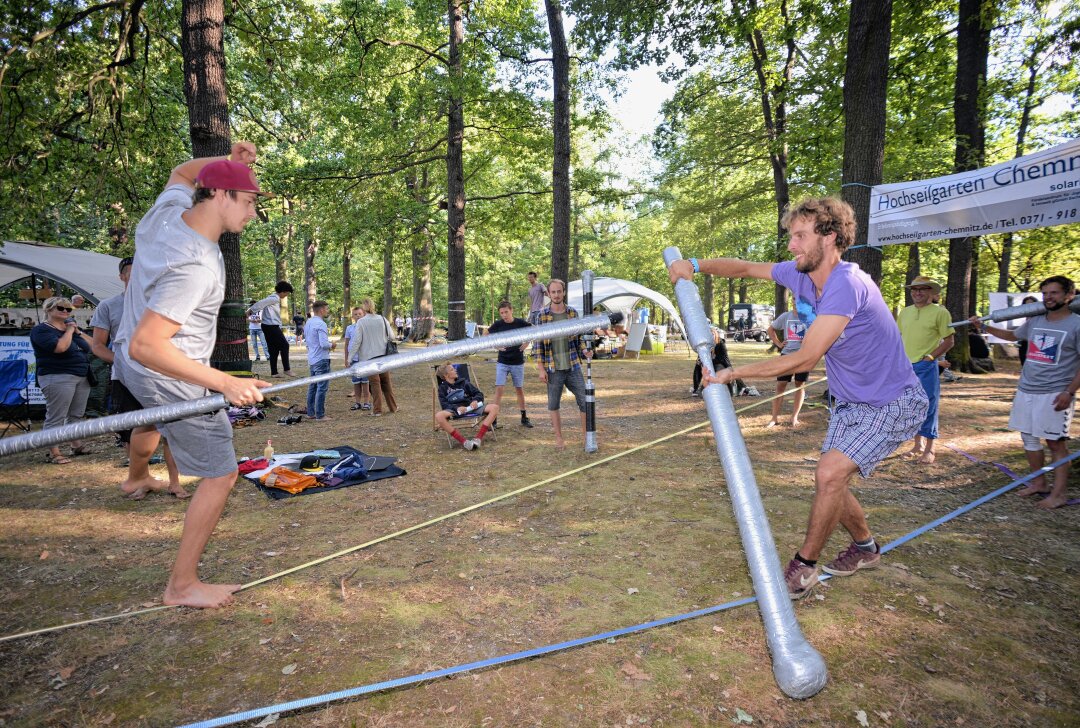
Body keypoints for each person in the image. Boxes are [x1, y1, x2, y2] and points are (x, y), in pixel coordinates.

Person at [670, 196, 927, 599]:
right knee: (832, 480)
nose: (791, 246)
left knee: (828, 474)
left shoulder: (848, 283)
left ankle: (803, 569)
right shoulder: (801, 275)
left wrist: (732, 373)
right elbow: (743, 267)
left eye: (800, 236)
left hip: (894, 401)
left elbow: (806, 356)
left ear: (831, 237)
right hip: (849, 402)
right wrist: (695, 266)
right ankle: (865, 549)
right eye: (791, 236)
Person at [113, 142, 270, 608]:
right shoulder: (196, 265)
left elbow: (182, 172)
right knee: (221, 473)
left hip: (131, 359)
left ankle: (136, 477)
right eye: (248, 202)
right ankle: (181, 586)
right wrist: (222, 382)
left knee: (153, 422)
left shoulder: (167, 215)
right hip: (166, 369)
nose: (252, 214)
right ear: (220, 195)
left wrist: (229, 161)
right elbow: (149, 345)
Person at [969, 275, 1080, 510]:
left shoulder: (1076, 324)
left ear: (1069, 295)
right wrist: (983, 327)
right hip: (1026, 389)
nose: (1049, 297)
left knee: (1055, 443)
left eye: (1055, 293)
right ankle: (1039, 483)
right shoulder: (1036, 320)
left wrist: (1069, 392)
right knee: (1028, 437)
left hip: (1055, 392)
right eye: (1046, 293)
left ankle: (1058, 494)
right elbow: (1012, 336)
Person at [91, 257, 186, 499]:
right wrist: (123, 363)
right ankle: (140, 480)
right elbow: (98, 346)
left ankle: (175, 482)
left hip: (160, 376)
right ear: (122, 277)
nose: (137, 278)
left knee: (170, 429)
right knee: (135, 429)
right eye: (131, 273)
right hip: (124, 378)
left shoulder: (159, 305)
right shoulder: (109, 306)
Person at [896, 276, 954, 464]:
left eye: (923, 289)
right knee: (911, 406)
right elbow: (899, 337)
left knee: (929, 405)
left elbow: (949, 341)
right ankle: (917, 445)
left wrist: (930, 358)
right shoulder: (905, 312)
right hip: (905, 367)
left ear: (931, 292)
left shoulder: (940, 313)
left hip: (926, 366)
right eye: (914, 289)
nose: (917, 292)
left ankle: (930, 449)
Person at [30, 297, 94, 464]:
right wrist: (70, 332)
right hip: (57, 376)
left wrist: (78, 331)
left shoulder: (71, 329)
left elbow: (94, 346)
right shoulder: (41, 330)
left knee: (76, 414)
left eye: (69, 309)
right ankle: (54, 452)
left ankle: (76, 444)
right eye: (61, 308)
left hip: (81, 375)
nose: (66, 312)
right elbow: (60, 348)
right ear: (49, 309)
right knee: (56, 416)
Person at [533, 279, 592, 449]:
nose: (557, 295)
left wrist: (585, 351)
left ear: (564, 292)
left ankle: (586, 437)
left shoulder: (572, 313)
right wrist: (540, 368)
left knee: (585, 400)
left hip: (573, 365)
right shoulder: (542, 315)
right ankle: (559, 438)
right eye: (553, 292)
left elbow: (579, 338)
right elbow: (538, 343)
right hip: (553, 368)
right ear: (549, 294)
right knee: (553, 404)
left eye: (559, 291)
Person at [766, 291, 811, 427]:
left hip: (803, 357)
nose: (795, 303)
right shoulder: (786, 316)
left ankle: (794, 418)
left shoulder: (809, 318)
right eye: (794, 299)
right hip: (786, 355)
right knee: (781, 385)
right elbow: (770, 330)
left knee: (799, 385)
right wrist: (779, 344)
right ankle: (774, 418)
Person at [486, 300, 534, 428]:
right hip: (502, 361)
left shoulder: (520, 323)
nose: (504, 315)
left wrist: (526, 343)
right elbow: (486, 334)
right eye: (501, 313)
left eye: (506, 312)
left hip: (517, 362)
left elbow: (533, 330)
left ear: (511, 310)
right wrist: (495, 345)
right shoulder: (498, 324)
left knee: (519, 389)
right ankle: (493, 419)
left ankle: (524, 417)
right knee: (499, 389)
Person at [347, 297, 397, 415]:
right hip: (383, 357)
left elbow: (357, 341)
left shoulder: (361, 322)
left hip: (368, 359)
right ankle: (393, 407)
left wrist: (349, 358)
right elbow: (392, 337)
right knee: (386, 383)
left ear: (364, 309)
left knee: (375, 384)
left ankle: (377, 410)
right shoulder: (383, 319)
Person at [434, 362, 499, 450]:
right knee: (439, 416)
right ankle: (464, 442)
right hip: (455, 411)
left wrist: (475, 401)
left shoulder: (464, 382)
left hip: (470, 407)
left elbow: (478, 394)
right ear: (446, 375)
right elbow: (444, 404)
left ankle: (478, 438)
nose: (455, 370)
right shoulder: (442, 388)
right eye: (452, 369)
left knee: (495, 407)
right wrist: (457, 408)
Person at [249, 281, 295, 378]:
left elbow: (262, 304)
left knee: (273, 349)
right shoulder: (274, 298)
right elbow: (260, 303)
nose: (286, 295)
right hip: (271, 326)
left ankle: (274, 372)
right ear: (283, 291)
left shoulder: (273, 297)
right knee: (285, 345)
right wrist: (249, 311)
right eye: (287, 293)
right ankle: (287, 369)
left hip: (268, 326)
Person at [303, 300, 336, 420]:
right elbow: (323, 344)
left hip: (312, 358)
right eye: (327, 309)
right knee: (322, 387)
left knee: (313, 386)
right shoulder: (321, 324)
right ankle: (320, 415)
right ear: (321, 310)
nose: (327, 311)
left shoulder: (308, 322)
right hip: (321, 358)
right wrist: (332, 345)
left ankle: (311, 413)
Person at [691, 328, 738, 396]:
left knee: (717, 369)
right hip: (710, 363)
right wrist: (699, 361)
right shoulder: (704, 345)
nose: (710, 336)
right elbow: (701, 356)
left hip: (722, 364)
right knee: (698, 366)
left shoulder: (720, 343)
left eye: (712, 334)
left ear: (716, 334)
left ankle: (729, 390)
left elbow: (722, 359)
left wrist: (708, 361)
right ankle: (696, 389)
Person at [343, 306, 372, 411]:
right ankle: (357, 402)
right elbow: (346, 345)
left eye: (360, 314)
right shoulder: (349, 328)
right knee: (356, 382)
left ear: (363, 314)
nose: (358, 316)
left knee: (365, 382)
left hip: (364, 359)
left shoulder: (367, 328)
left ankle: (367, 402)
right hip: (353, 359)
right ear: (352, 316)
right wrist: (347, 359)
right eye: (355, 314)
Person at [1017, 295, 1039, 367]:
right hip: (1025, 343)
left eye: (1031, 304)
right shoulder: (1026, 319)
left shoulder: (1041, 318)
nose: (1029, 307)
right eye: (1026, 305)